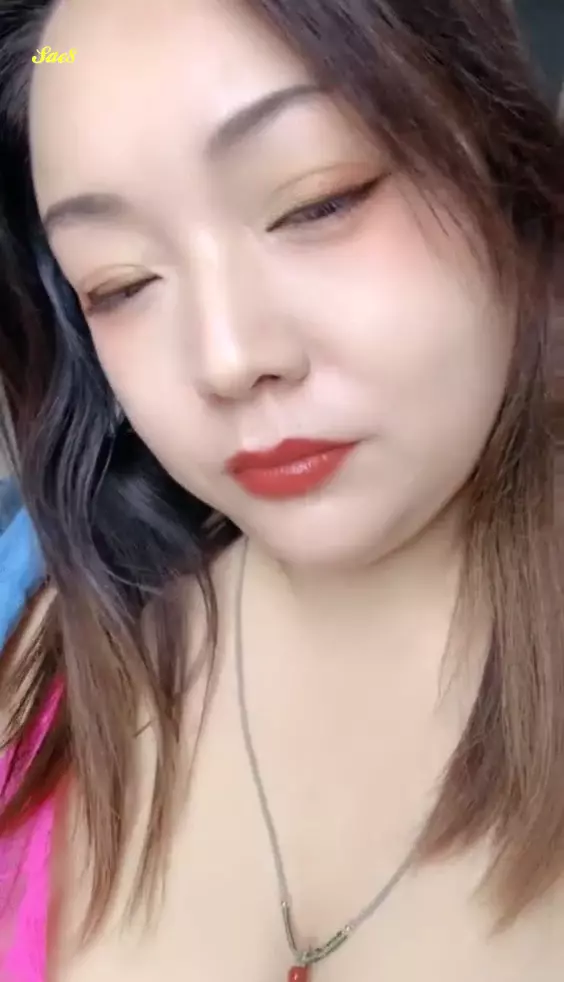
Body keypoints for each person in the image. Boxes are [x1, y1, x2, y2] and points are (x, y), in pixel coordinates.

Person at [0, 0, 562, 979]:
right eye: (120, 283)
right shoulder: (48, 662)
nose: (227, 358)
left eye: (317, 202)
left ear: (495, 151)